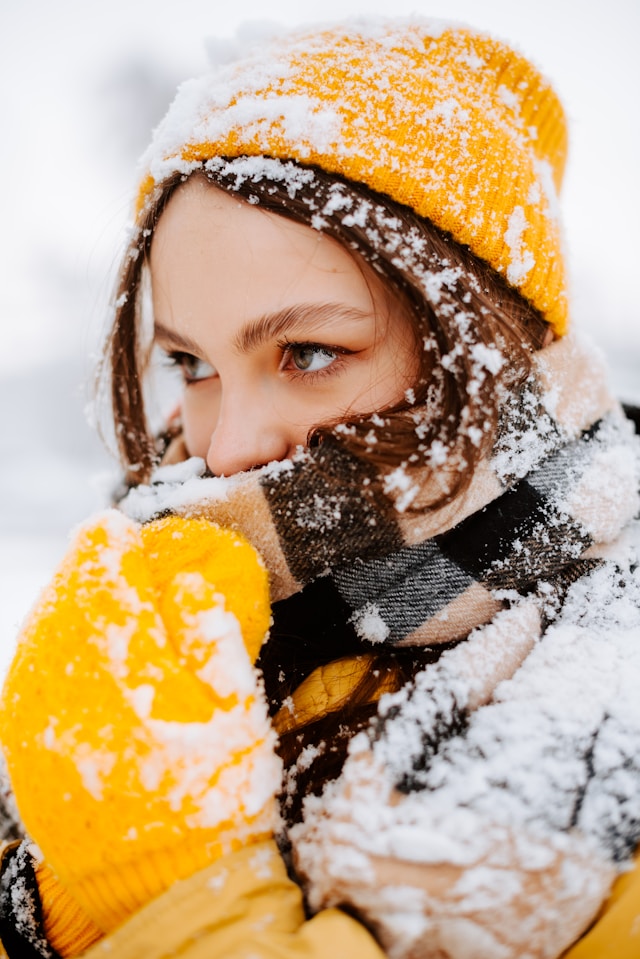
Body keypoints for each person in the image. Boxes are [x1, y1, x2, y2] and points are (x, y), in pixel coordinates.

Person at [1, 16, 639, 959]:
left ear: (491, 346)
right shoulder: (170, 609)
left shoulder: (606, 686)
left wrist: (172, 889)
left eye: (308, 352)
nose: (226, 449)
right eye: (191, 362)